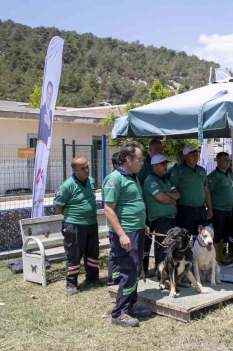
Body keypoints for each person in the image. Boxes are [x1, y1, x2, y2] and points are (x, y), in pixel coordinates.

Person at [103, 141, 152, 328]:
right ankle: (119, 313)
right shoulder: (115, 179)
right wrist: (122, 234)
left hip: (136, 230)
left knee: (136, 270)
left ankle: (131, 306)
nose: (142, 163)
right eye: (139, 159)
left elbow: (133, 204)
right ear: (127, 159)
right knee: (128, 271)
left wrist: (143, 225)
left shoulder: (133, 177)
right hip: (126, 233)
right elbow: (108, 209)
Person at [54, 157, 101, 296]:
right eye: (83, 168)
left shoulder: (91, 181)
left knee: (93, 253)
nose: (87, 170)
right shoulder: (67, 186)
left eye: (87, 167)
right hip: (74, 225)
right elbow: (58, 207)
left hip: (91, 223)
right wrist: (75, 216)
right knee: (74, 254)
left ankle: (92, 279)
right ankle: (71, 284)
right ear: (74, 170)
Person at [143, 154, 180, 275]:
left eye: (166, 164)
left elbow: (178, 194)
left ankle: (164, 271)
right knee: (165, 245)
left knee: (168, 246)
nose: (166, 166)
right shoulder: (151, 180)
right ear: (154, 166)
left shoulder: (165, 179)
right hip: (159, 219)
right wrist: (172, 200)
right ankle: (162, 273)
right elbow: (161, 198)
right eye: (162, 164)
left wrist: (168, 195)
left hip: (170, 218)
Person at [170, 146, 212, 236]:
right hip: (185, 211)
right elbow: (172, 190)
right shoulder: (178, 170)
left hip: (201, 209)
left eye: (196, 154)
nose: (195, 156)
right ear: (184, 157)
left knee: (202, 236)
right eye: (192, 154)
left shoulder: (202, 170)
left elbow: (206, 191)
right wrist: (174, 209)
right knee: (185, 237)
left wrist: (210, 209)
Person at [135, 138, 163, 276]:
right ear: (150, 149)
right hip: (145, 208)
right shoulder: (143, 165)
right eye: (157, 148)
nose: (160, 150)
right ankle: (143, 269)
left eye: (161, 147)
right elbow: (137, 183)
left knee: (158, 239)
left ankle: (159, 268)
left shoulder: (162, 163)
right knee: (145, 240)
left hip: (158, 209)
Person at [207, 152, 233, 265]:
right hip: (218, 210)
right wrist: (209, 209)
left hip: (229, 209)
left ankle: (223, 254)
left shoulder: (230, 174)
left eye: (228, 159)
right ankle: (215, 258)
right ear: (217, 161)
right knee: (217, 235)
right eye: (224, 159)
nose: (227, 161)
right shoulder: (213, 176)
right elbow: (207, 192)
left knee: (226, 234)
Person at [32, 81, 55, 210]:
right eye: (48, 93)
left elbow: (49, 130)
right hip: (41, 146)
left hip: (46, 146)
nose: (50, 96)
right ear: (45, 92)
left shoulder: (50, 111)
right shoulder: (42, 110)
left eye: (52, 94)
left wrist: (49, 124)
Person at [107, 151, 121, 286]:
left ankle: (119, 276)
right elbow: (109, 207)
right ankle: (113, 278)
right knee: (115, 252)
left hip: (125, 225)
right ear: (116, 165)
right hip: (116, 225)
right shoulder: (113, 179)